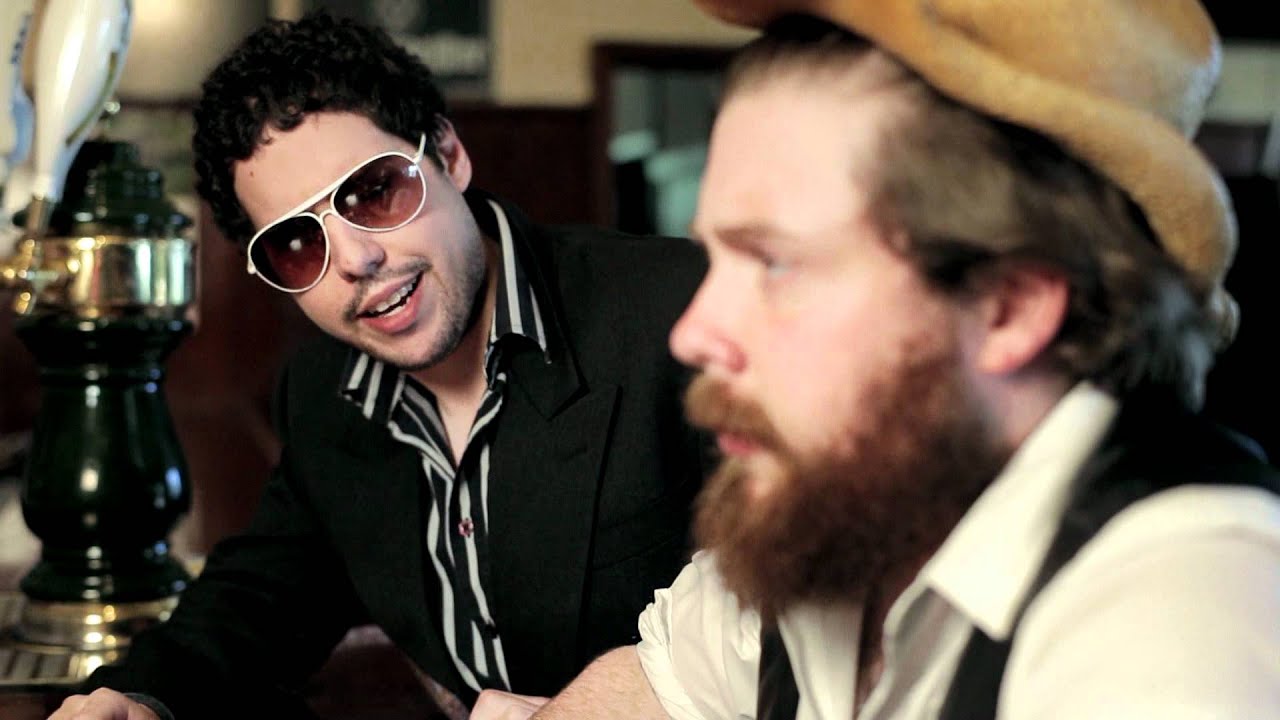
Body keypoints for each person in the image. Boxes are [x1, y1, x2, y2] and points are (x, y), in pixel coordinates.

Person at [472, 1, 1280, 718]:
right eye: (715, 259)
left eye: (774, 263)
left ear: (1008, 307)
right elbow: (654, 685)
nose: (692, 333)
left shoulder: (1182, 611)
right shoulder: (848, 507)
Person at [48, 11, 707, 720]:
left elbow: (781, 616)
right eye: (297, 243)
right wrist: (138, 698)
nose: (357, 260)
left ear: (448, 155)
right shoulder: (322, 391)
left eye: (374, 192)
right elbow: (262, 595)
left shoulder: (680, 314)